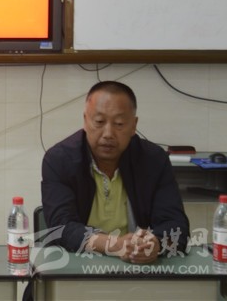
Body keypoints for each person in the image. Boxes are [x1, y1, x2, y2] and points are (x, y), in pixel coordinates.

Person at [41, 80, 189, 263]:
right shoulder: (60, 160)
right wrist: (114, 245)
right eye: (99, 122)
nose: (108, 133)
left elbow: (176, 225)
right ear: (85, 121)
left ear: (133, 125)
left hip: (138, 267)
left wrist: (155, 244)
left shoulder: (153, 160)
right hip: (75, 266)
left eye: (119, 123)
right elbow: (61, 228)